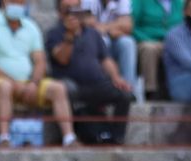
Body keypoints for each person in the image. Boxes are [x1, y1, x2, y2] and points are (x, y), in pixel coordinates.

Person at [0, 1, 78, 145]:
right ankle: (4, 138)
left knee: (58, 88)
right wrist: (14, 83)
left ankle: (69, 138)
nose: (17, 4)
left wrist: (34, 82)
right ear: (3, 2)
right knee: (4, 87)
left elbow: (40, 61)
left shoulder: (31, 27)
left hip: (28, 83)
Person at [48, 0, 133, 145]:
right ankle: (73, 135)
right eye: (68, 9)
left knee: (125, 94)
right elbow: (62, 59)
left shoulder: (93, 33)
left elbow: (105, 59)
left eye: (76, 9)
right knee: (66, 90)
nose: (73, 13)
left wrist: (116, 77)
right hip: (72, 85)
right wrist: (69, 35)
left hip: (97, 83)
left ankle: (116, 137)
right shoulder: (54, 34)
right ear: (59, 13)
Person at [80, 0, 137, 91]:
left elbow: (127, 26)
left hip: (114, 37)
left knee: (128, 42)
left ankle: (129, 89)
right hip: (93, 39)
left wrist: (105, 29)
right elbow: (88, 24)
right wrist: (115, 27)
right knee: (104, 41)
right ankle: (103, 89)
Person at [131, 0, 182, 99]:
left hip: (173, 42)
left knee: (182, 50)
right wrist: (146, 38)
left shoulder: (179, 2)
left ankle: (176, 89)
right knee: (149, 48)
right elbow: (132, 25)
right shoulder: (140, 2)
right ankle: (150, 91)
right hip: (147, 39)